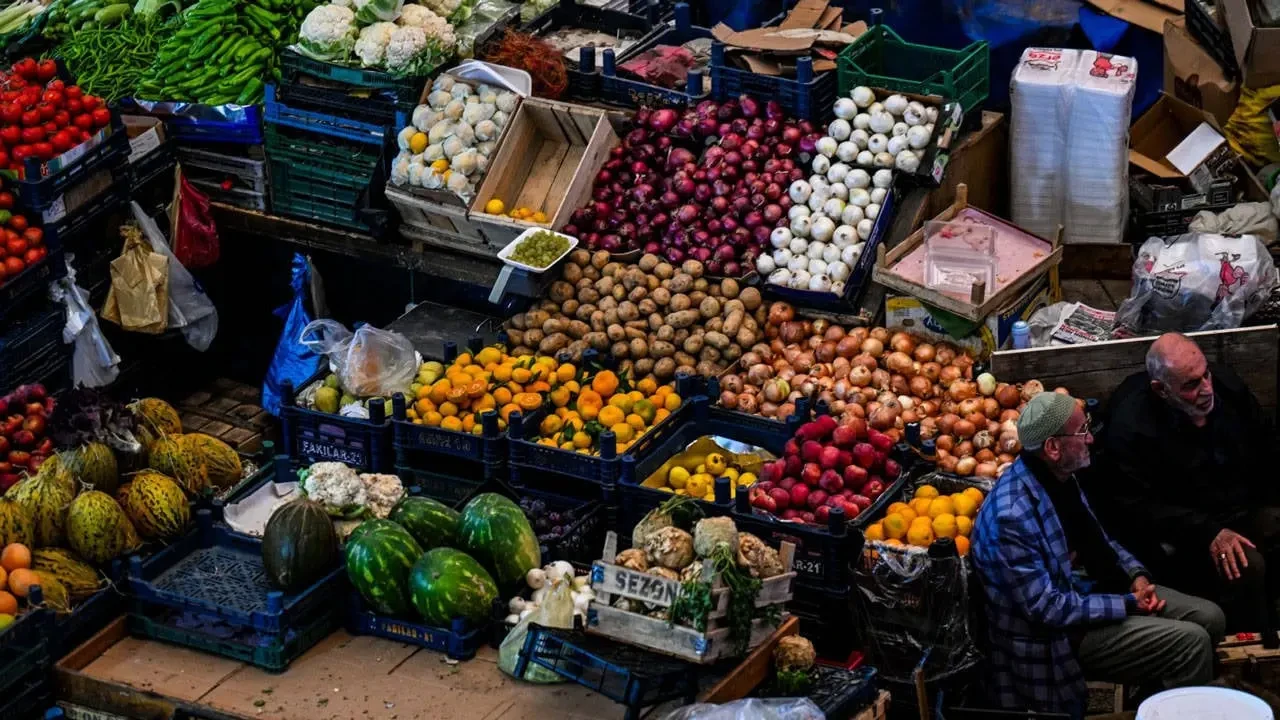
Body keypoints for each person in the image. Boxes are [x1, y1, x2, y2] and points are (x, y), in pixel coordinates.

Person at [972, 391, 1225, 716]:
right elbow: (1048, 610)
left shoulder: (1061, 478)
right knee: (1191, 644)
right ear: (1053, 447)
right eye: (1082, 432)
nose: (1091, 438)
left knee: (1211, 618)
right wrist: (1127, 604)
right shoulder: (1012, 516)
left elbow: (1100, 541)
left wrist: (1135, 577)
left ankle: (1150, 702)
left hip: (1092, 593)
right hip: (1058, 637)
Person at [1094, 332, 1279, 634]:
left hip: (1240, 507)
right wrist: (1208, 531)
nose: (1207, 389)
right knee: (1246, 565)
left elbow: (1266, 445)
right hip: (1184, 532)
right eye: (1192, 385)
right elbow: (1136, 507)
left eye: (1205, 375)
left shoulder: (1227, 388)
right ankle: (1247, 649)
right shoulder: (1131, 428)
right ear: (1161, 389)